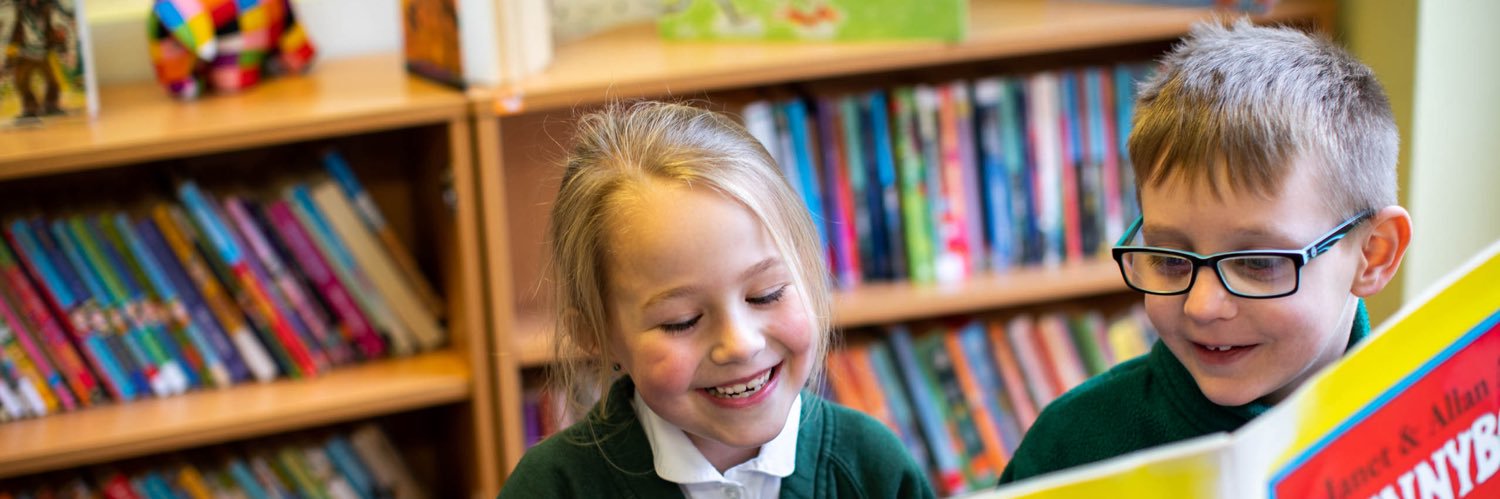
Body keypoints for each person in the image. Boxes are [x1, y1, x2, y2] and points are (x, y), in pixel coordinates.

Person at [999, 18, 1412, 483]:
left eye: (1258, 263)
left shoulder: (1432, 415)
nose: (1202, 306)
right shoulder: (1070, 446)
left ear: (1373, 254)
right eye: (1171, 260)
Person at [499, 101, 934, 498]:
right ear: (596, 335)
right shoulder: (552, 488)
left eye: (766, 294)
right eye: (681, 321)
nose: (741, 344)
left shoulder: (871, 468)